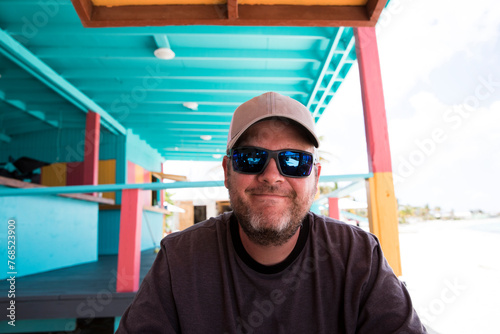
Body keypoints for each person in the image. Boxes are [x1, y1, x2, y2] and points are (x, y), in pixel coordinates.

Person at [116, 92, 427, 333]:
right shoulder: (180, 259)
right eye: (251, 158)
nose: (272, 175)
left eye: (294, 161)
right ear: (227, 172)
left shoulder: (358, 257)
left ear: (315, 178)